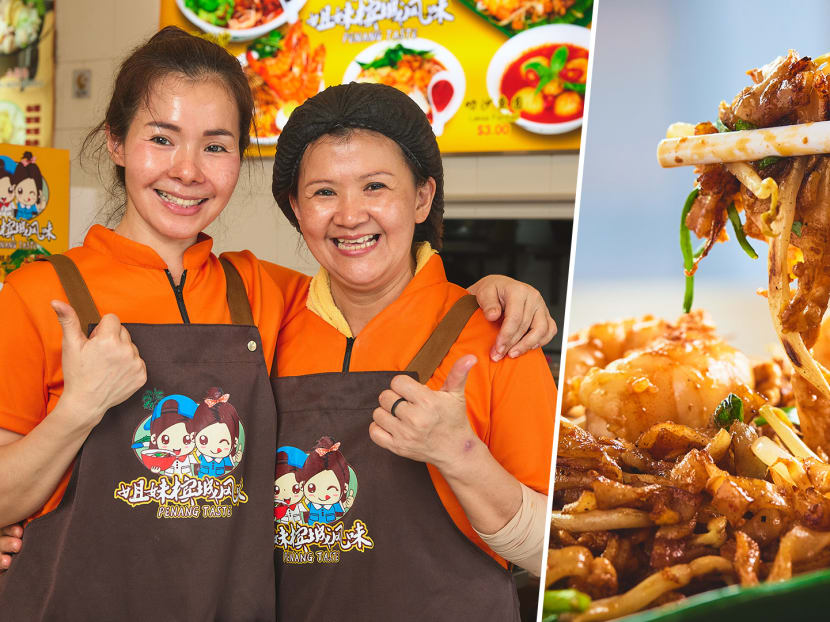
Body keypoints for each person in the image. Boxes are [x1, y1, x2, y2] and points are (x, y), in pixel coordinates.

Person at [0, 26, 556, 613]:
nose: (187, 170)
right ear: (115, 141)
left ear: (421, 198)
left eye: (215, 145)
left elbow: (562, 546)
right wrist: (79, 408)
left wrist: (500, 295)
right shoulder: (41, 293)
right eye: (162, 139)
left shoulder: (265, 295)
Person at [263, 82, 558, 621]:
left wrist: (460, 455)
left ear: (422, 197)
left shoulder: (497, 335)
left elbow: (554, 549)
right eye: (324, 192)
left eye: (375, 186)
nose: (350, 216)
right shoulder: (269, 322)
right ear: (296, 207)